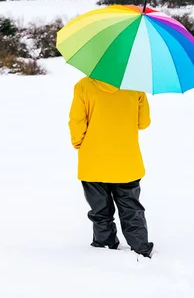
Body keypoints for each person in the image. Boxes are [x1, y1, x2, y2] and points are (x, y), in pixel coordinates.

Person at [68, 76, 154, 258]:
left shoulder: (83, 86)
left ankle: (104, 246)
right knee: (131, 208)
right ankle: (140, 247)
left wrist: (79, 143)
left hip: (93, 162)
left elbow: (77, 121)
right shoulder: (136, 84)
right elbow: (143, 123)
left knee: (100, 211)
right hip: (127, 162)